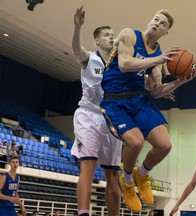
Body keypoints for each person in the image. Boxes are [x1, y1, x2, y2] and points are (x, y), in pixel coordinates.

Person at [100, 9, 196, 212]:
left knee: (165, 145)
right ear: (150, 21)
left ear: (165, 32)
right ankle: (126, 181)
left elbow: (156, 91)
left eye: (162, 24)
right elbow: (125, 64)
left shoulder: (157, 55)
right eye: (156, 20)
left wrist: (179, 82)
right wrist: (158, 61)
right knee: (135, 142)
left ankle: (141, 175)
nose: (157, 24)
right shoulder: (129, 34)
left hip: (139, 98)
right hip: (115, 100)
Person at [70, 6, 122, 216]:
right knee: (88, 164)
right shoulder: (89, 58)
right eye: (107, 35)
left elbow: (145, 84)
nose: (111, 38)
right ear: (97, 41)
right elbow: (75, 50)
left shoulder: (122, 63)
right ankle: (83, 213)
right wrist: (77, 26)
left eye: (113, 35)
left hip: (112, 119)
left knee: (112, 175)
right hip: (89, 115)